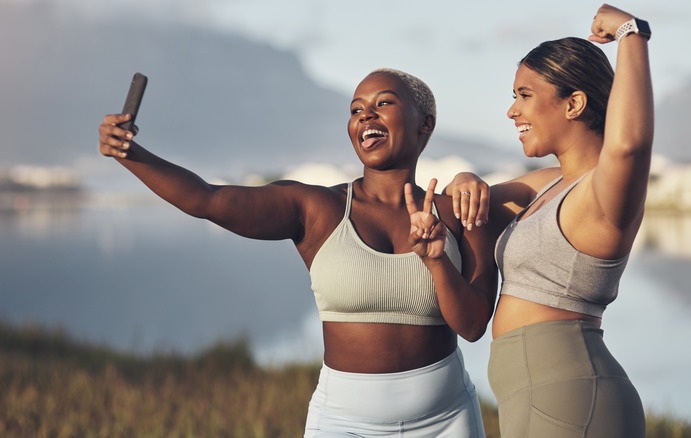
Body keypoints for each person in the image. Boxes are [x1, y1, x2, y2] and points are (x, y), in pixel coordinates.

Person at [98, 68, 497, 437]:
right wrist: (130, 153)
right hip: (343, 425)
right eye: (356, 109)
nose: (366, 116)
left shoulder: (460, 212)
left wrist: (437, 261)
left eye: (383, 103)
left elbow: (474, 326)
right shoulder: (317, 209)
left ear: (425, 123)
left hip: (446, 421)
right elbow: (207, 199)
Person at [446, 4, 651, 437]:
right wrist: (464, 178)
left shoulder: (604, 194)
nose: (511, 111)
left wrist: (631, 34)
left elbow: (629, 144)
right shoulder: (548, 184)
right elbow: (462, 207)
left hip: (573, 401)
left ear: (574, 103)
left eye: (524, 95)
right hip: (539, 397)